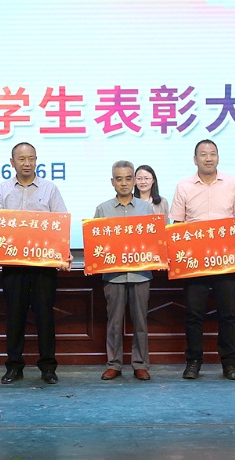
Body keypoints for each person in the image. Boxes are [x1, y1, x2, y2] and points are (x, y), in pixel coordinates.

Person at [0, 142, 71, 385]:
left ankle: (48, 367)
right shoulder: (3, 190)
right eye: (22, 159)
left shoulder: (50, 189)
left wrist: (63, 253)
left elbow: (60, 224)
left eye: (31, 158)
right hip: (13, 267)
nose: (27, 163)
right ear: (12, 162)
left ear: (36, 160)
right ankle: (14, 367)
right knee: (15, 317)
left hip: (44, 267)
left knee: (45, 317)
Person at [169, 139, 235, 380]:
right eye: (203, 154)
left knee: (228, 314)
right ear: (195, 159)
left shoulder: (232, 184)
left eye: (213, 154)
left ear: (218, 158)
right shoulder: (184, 186)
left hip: (226, 260)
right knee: (194, 314)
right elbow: (177, 225)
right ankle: (193, 362)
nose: (208, 158)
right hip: (195, 262)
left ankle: (229, 363)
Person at [93, 160, 155, 381]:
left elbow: (155, 241)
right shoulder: (103, 209)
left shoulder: (146, 209)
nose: (124, 183)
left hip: (141, 274)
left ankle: (140, 364)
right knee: (114, 322)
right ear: (112, 182)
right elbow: (96, 244)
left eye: (128, 178)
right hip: (114, 275)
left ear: (135, 181)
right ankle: (114, 364)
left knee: (141, 321)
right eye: (119, 179)